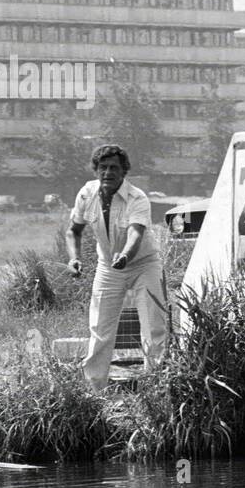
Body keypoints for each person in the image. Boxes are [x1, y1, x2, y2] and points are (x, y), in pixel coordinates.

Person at [65, 144, 168, 391]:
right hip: (108, 267)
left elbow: (135, 234)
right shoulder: (86, 194)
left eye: (114, 168)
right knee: (100, 328)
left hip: (144, 264)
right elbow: (73, 231)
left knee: (153, 327)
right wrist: (74, 258)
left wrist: (125, 255)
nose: (107, 173)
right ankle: (94, 389)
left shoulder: (138, 198)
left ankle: (156, 388)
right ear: (96, 170)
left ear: (124, 172)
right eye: (102, 168)